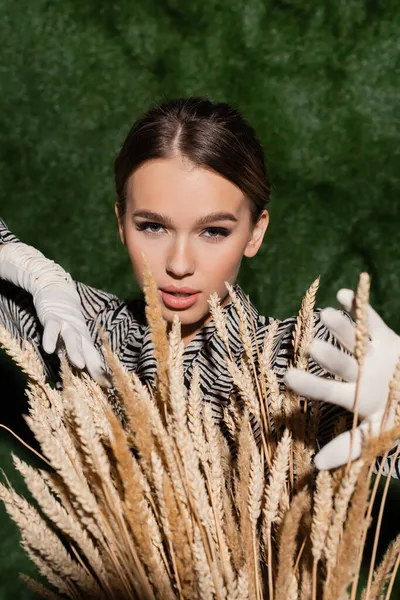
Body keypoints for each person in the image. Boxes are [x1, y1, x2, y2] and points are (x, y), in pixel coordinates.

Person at [0, 97, 398, 476]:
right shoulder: (74, 325)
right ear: (121, 223)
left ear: (255, 233)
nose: (178, 264)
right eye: (152, 227)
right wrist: (24, 265)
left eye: (213, 231)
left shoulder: (300, 360)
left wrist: (395, 412)